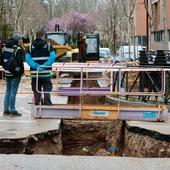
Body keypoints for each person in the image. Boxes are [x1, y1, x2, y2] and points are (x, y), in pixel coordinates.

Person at [25, 30, 56, 105]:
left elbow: (27, 58)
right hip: (46, 73)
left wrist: (36, 66)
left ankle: (37, 105)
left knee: (36, 89)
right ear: (43, 36)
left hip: (35, 73)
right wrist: (44, 66)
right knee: (47, 89)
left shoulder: (29, 47)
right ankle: (47, 104)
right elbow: (52, 57)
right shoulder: (48, 46)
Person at [1, 33, 24, 116]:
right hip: (15, 74)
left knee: (8, 91)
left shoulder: (5, 48)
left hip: (7, 73)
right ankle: (12, 110)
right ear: (17, 40)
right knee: (13, 92)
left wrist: (6, 68)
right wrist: (21, 72)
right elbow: (20, 62)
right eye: (20, 40)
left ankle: (6, 110)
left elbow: (1, 60)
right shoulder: (18, 49)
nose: (21, 42)